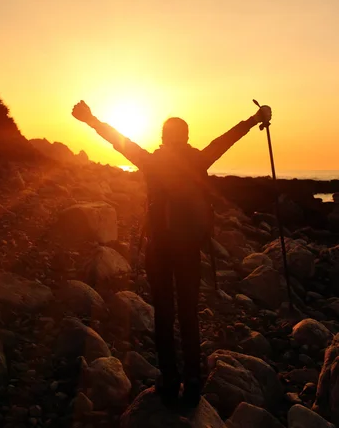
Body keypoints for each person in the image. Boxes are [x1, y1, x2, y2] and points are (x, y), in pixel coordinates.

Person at [72, 100, 272, 406]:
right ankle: (193, 382)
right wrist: (255, 118)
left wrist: (90, 119)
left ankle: (169, 380)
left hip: (161, 247)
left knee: (164, 315)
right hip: (189, 247)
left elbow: (118, 140)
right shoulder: (199, 160)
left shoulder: (152, 161)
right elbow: (227, 139)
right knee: (189, 313)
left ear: (164, 138)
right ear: (187, 137)